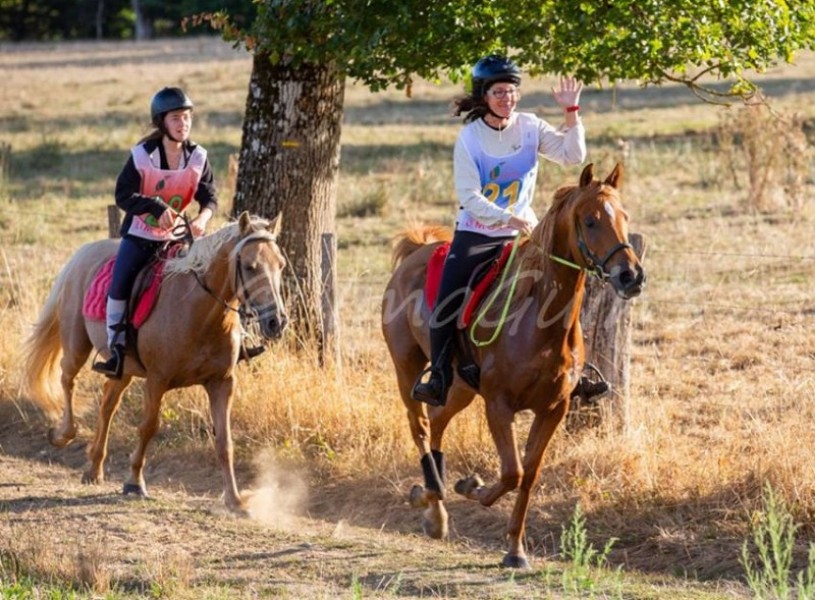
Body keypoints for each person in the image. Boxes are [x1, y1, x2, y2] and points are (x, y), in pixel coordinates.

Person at [411, 55, 587, 406]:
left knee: (563, 288)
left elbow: (573, 156)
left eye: (511, 91)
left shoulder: (530, 126)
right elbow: (469, 196)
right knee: (447, 302)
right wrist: (508, 218)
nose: (506, 98)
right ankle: (441, 374)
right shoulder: (470, 139)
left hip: (525, 235)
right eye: (498, 92)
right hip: (477, 235)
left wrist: (572, 113)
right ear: (484, 96)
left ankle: (578, 367)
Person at [92, 87, 218, 379]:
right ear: (162, 122)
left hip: (179, 239)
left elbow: (210, 197)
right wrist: (153, 206)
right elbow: (123, 195)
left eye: (187, 117)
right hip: (140, 237)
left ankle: (231, 341)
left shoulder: (198, 157)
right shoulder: (142, 156)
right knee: (120, 284)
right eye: (176, 118)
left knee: (219, 276)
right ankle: (116, 350)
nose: (183, 123)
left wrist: (203, 218)